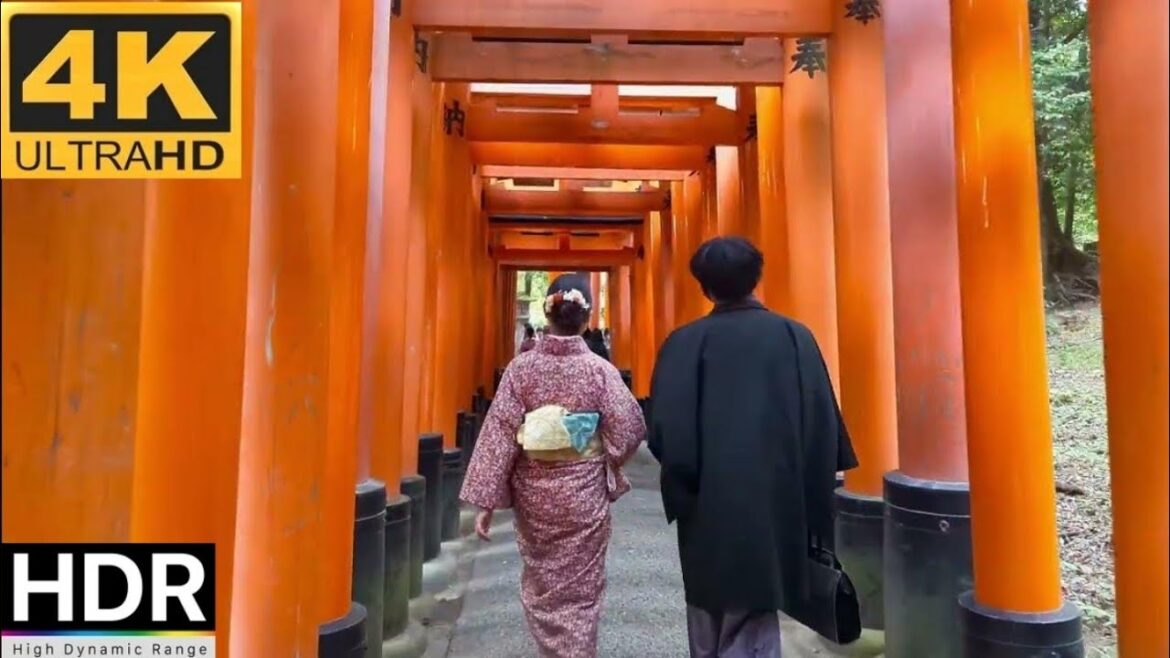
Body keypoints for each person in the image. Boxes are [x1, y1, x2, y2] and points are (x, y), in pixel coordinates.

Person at [647, 237, 858, 657]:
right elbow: (820, 421)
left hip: (705, 502)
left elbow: (664, 431)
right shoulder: (793, 337)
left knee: (707, 605)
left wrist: (684, 484)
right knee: (756, 606)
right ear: (755, 280)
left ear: (704, 287)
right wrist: (814, 497)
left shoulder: (683, 343)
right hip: (775, 501)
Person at [460, 273, 647, 658]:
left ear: (548, 315)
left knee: (544, 583)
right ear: (586, 317)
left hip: (535, 493)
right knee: (581, 588)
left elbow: (499, 433)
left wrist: (487, 502)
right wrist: (606, 457)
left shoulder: (521, 370)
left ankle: (554, 651)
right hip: (583, 493)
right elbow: (630, 427)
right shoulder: (599, 370)